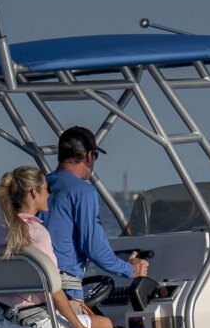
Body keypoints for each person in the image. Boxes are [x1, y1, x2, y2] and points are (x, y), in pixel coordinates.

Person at [0, 166, 112, 328]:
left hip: (11, 327)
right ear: (34, 192)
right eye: (47, 189)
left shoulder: (2, 231)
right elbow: (54, 290)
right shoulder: (37, 233)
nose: (49, 194)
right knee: (105, 326)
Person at [43, 126, 149, 301]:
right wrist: (130, 269)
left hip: (32, 287)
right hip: (63, 291)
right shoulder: (84, 192)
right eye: (96, 156)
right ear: (88, 155)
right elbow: (94, 248)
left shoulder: (37, 188)